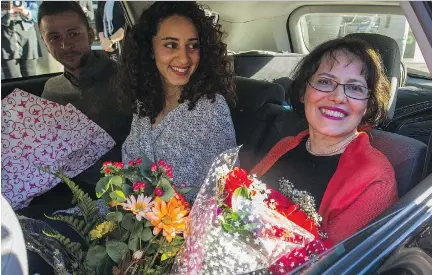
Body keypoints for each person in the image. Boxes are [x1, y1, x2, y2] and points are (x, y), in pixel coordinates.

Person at [251, 37, 398, 244]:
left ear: (368, 105)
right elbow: (240, 200)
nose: (338, 97)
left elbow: (330, 262)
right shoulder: (285, 145)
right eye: (325, 82)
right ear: (303, 92)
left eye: (355, 88)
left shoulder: (374, 179)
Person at [16, 1, 131, 217]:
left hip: (116, 196)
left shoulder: (126, 79)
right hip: (62, 189)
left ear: (90, 34)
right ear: (44, 41)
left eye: (73, 34)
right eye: (54, 37)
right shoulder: (52, 89)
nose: (65, 46)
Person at [117, 1, 237, 201]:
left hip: (185, 227)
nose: (184, 58)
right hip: (133, 217)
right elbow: (128, 181)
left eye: (193, 46)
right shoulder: (144, 105)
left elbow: (225, 194)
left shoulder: (211, 108)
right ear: (150, 48)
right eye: (171, 45)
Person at [1, 0, 42, 78]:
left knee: (30, 75)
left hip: (28, 36)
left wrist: (24, 11)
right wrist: (5, 9)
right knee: (12, 77)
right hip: (6, 37)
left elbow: (37, 14)